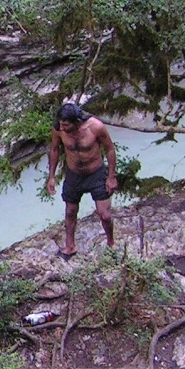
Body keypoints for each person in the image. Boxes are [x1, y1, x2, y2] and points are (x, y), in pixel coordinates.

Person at [45, 102, 119, 258]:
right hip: (74, 175)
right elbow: (54, 150)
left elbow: (110, 149)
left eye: (66, 125)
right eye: (60, 124)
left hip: (96, 173)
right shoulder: (59, 129)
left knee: (104, 214)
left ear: (77, 121)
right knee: (70, 211)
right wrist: (51, 176)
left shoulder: (95, 127)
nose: (62, 128)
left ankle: (111, 243)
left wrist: (111, 177)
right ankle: (70, 246)